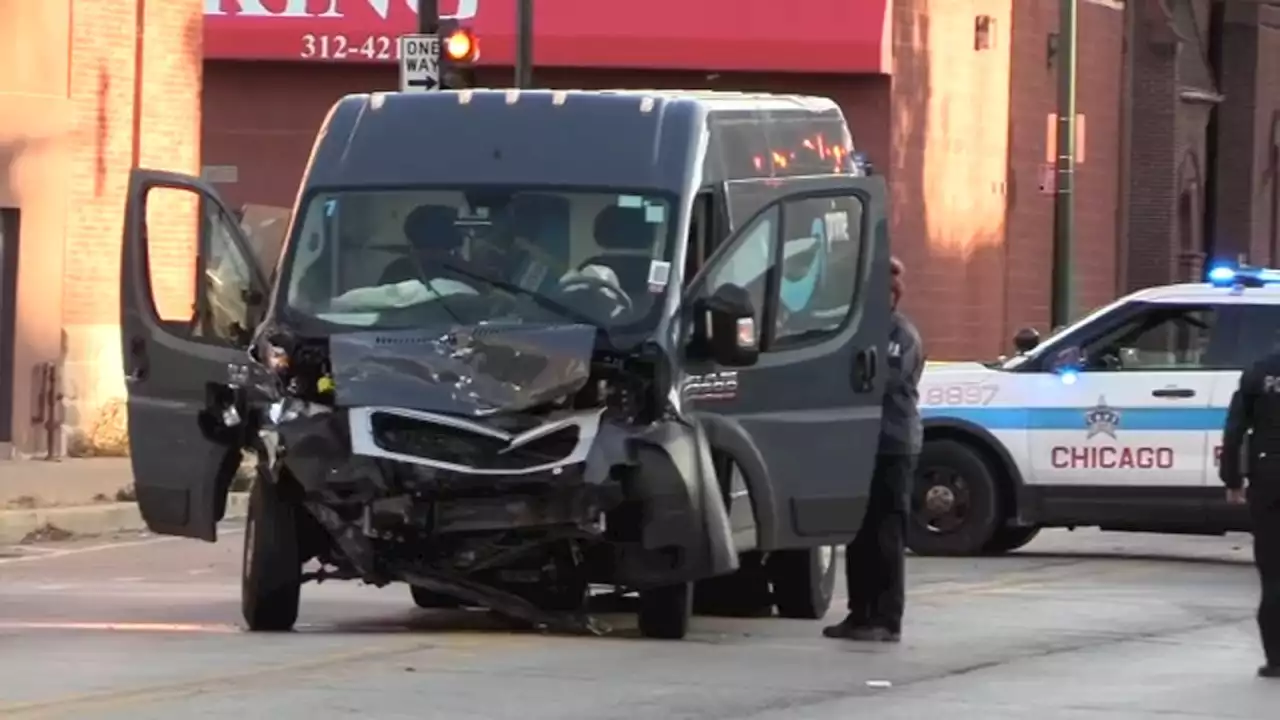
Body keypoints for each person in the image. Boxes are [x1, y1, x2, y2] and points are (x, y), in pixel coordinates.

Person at [823, 256, 923, 643]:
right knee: (860, 534)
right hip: (862, 443)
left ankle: (886, 617)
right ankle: (859, 613)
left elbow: (879, 379)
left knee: (886, 534)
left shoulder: (900, 334)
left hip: (892, 443)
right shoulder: (862, 332)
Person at [1220, 348, 1280, 678]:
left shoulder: (1259, 371)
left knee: (1273, 575)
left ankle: (1276, 659)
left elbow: (1235, 430)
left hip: (1268, 478)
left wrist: (1232, 478)